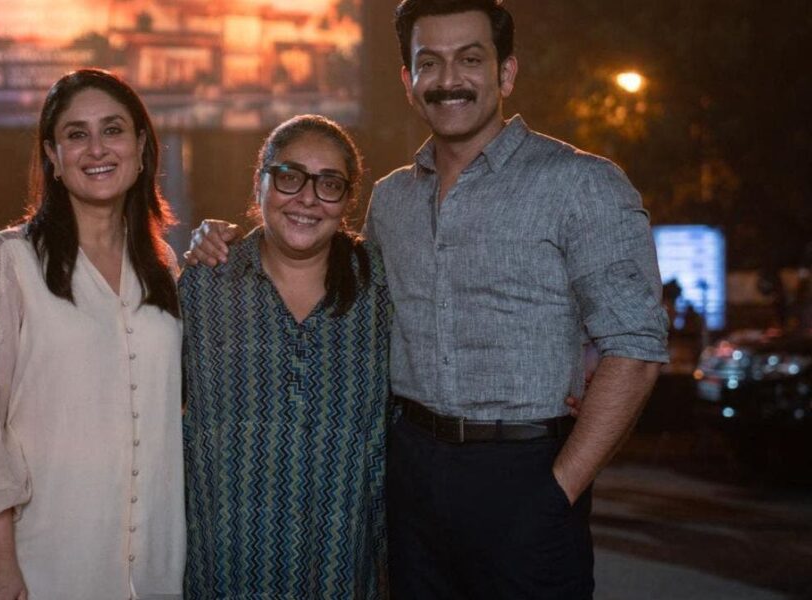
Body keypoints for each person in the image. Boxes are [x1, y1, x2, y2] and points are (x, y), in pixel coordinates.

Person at [186, 0, 669, 597]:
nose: (448, 80)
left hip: (525, 472)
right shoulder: (392, 200)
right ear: (408, 81)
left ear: (506, 73)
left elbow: (636, 347)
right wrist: (212, 239)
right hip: (408, 477)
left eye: (470, 59)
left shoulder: (579, 183)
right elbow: (332, 281)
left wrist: (558, 490)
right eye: (430, 63)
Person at [0, 68, 185, 600]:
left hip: (151, 564)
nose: (96, 148)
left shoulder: (165, 268)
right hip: (36, 558)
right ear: (53, 156)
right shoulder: (10, 260)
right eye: (77, 134)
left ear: (141, 147)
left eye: (113, 130)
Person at [179, 115, 390, 599]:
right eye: (290, 177)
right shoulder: (207, 282)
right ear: (260, 183)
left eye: (329, 184)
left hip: (341, 563)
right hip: (226, 562)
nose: (308, 198)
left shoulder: (378, 285)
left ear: (348, 200)